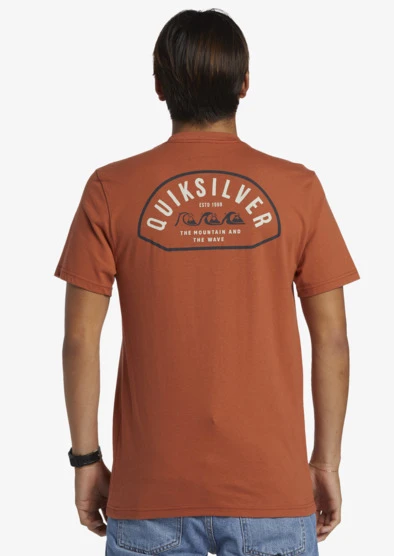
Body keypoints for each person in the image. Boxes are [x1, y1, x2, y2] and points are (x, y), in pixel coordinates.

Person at [54, 8, 360, 556]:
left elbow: (80, 339)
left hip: (150, 493)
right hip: (272, 492)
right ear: (245, 83)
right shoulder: (298, 188)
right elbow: (332, 339)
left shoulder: (110, 188)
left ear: (158, 85)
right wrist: (326, 461)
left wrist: (86, 459)